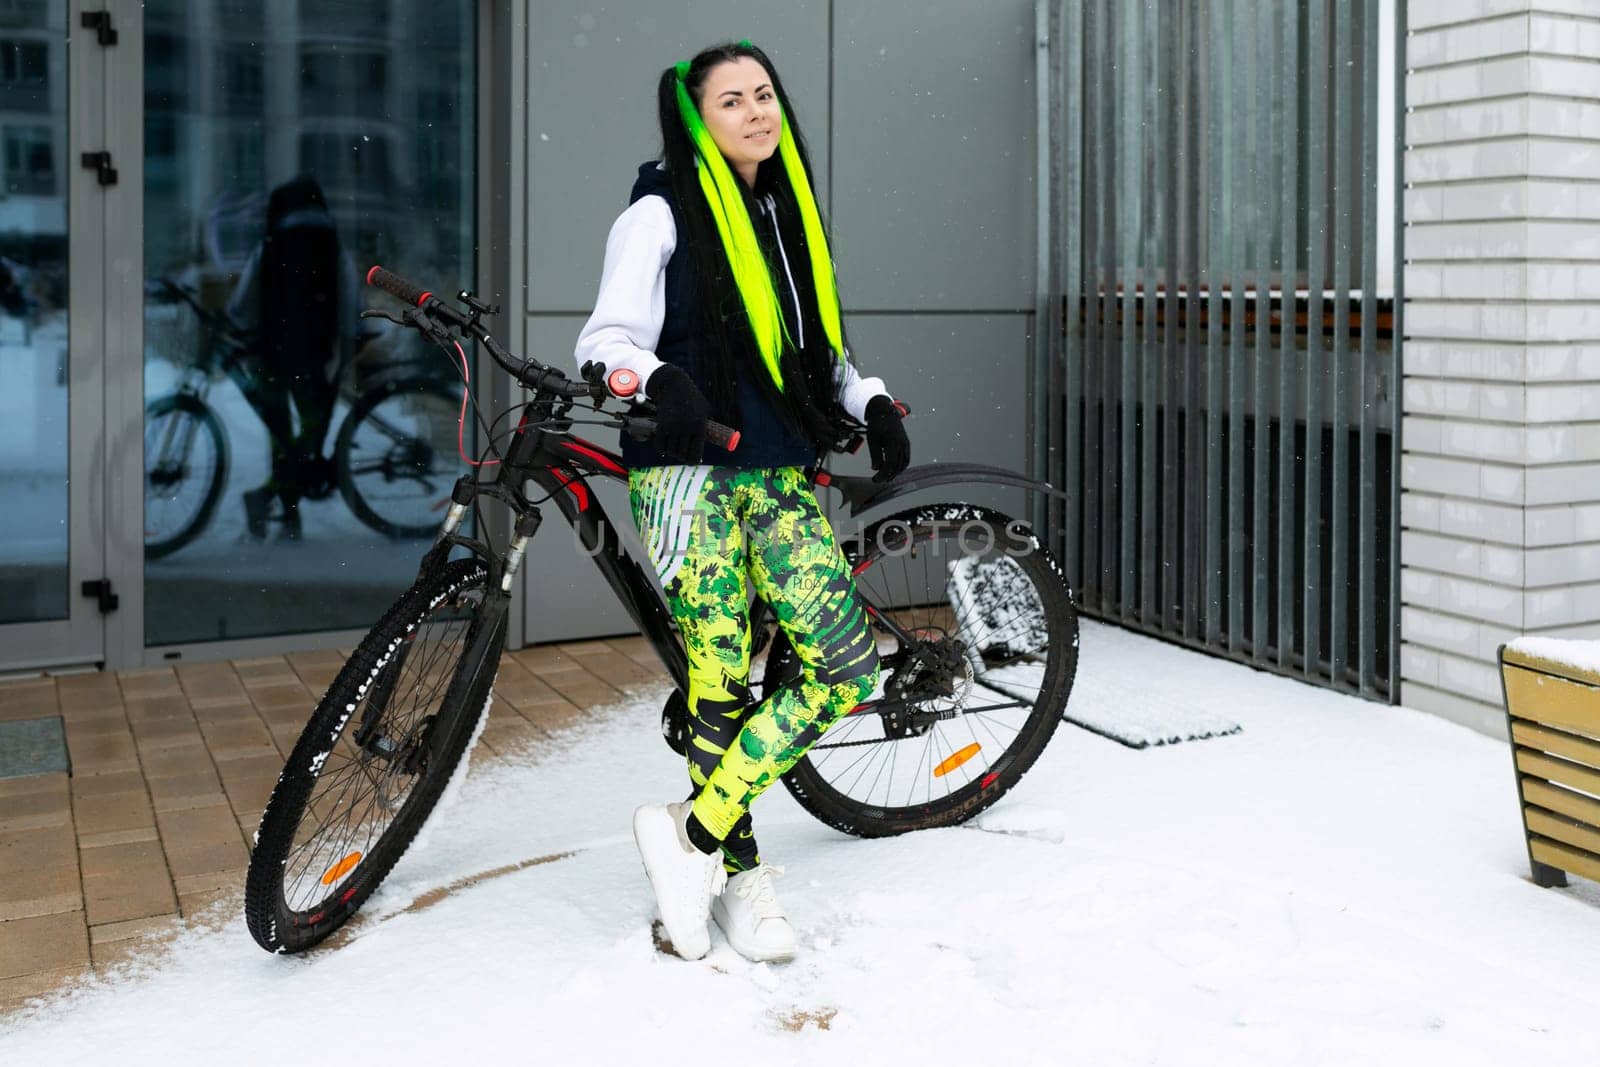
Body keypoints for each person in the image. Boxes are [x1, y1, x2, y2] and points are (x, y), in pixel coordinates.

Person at [574, 41, 911, 963]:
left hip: (776, 475)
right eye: (732, 101)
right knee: (719, 684)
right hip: (689, 482)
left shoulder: (786, 212)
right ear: (696, 117)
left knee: (842, 672)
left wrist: (865, 400)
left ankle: (691, 837)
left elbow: (813, 354)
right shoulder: (658, 212)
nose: (757, 112)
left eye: (764, 95)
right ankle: (742, 876)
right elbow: (605, 339)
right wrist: (657, 381)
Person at [227, 175, 358, 539]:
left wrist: (238, 325)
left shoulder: (270, 245)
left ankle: (286, 512)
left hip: (271, 352)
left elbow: (242, 304)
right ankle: (280, 503)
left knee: (280, 435)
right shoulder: (332, 246)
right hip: (314, 354)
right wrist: (348, 341)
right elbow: (349, 298)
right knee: (310, 429)